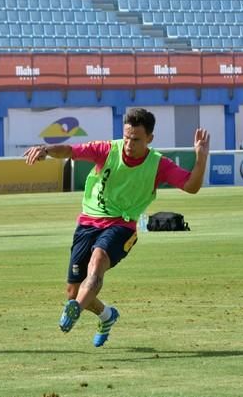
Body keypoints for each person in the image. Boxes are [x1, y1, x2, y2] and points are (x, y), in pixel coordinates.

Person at [23, 108, 210, 347]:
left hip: (123, 225)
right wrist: (46, 149)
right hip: (87, 223)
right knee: (73, 291)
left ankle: (75, 311)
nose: (129, 144)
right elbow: (71, 150)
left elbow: (191, 186)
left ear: (150, 139)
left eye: (136, 139)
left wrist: (201, 158)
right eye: (127, 137)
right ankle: (107, 315)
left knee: (97, 260)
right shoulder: (108, 149)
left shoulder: (158, 164)